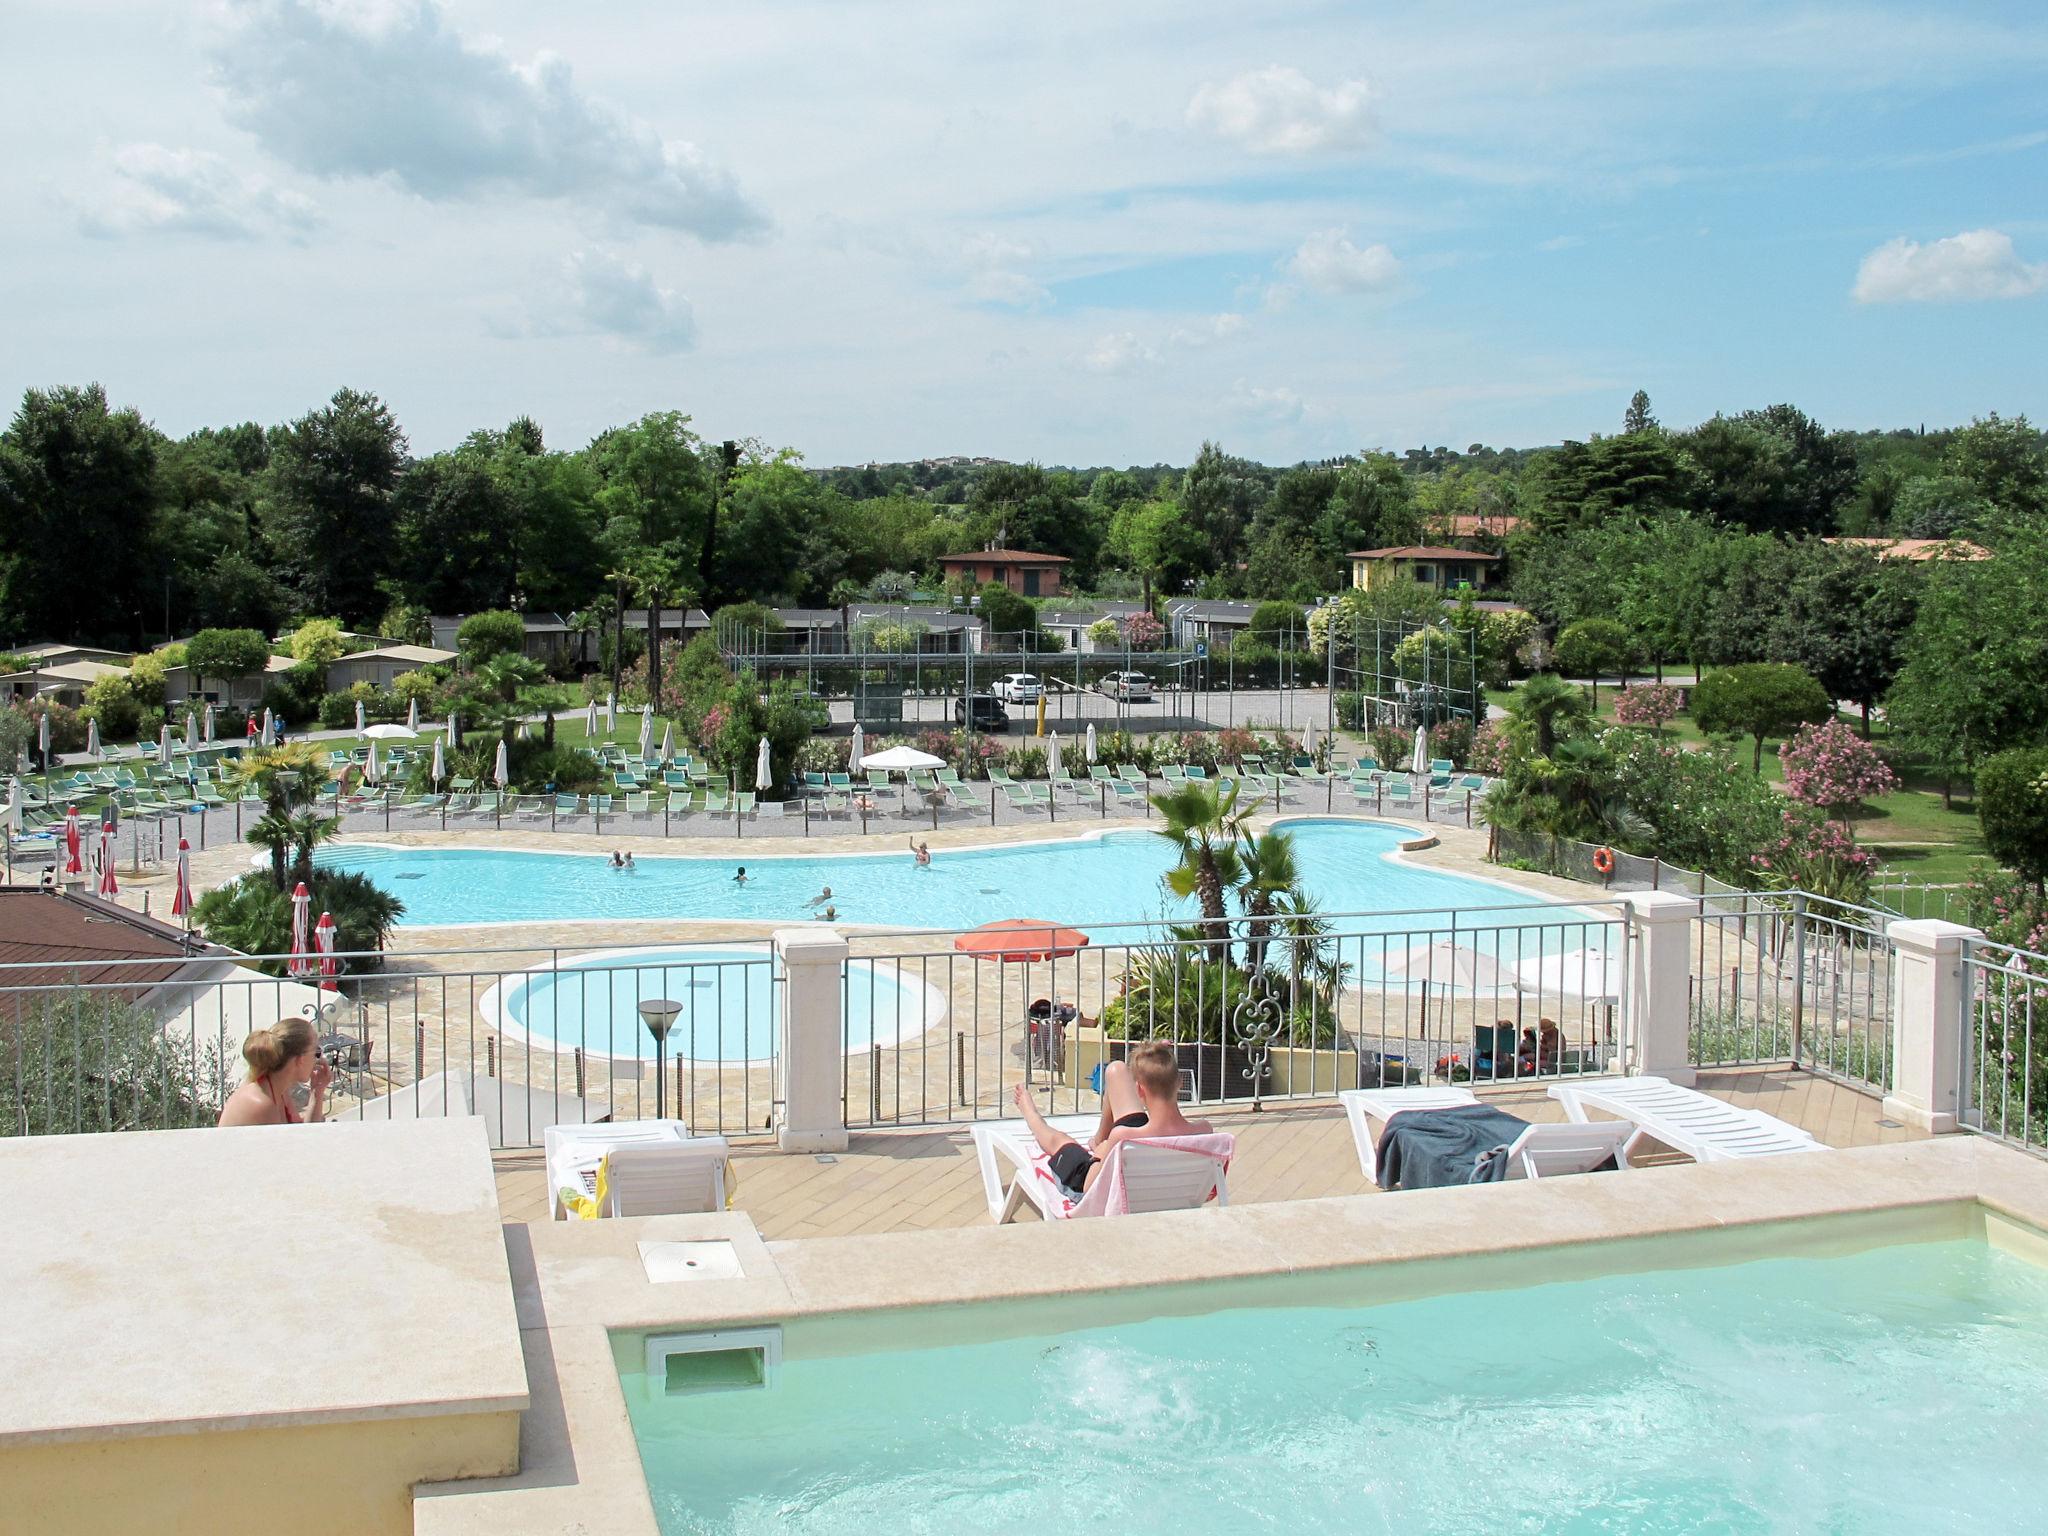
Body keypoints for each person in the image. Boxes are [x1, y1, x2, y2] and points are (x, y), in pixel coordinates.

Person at [1012, 1040, 1209, 1200]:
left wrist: (1101, 1153)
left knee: (1060, 1141)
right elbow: (1209, 1192)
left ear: (1139, 1090)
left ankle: (1032, 1116)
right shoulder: (1204, 1132)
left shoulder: (1123, 1137)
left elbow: (1092, 1188)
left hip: (1106, 1187)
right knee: (1116, 1071)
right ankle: (1098, 1138)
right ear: (1179, 1082)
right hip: (1160, 1176)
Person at [217, 1017, 331, 1127]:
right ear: (300, 1060)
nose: (319, 1059)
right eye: (317, 1052)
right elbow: (301, 1143)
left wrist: (317, 1092)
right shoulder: (262, 1105)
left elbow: (304, 1135)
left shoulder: (278, 1092)